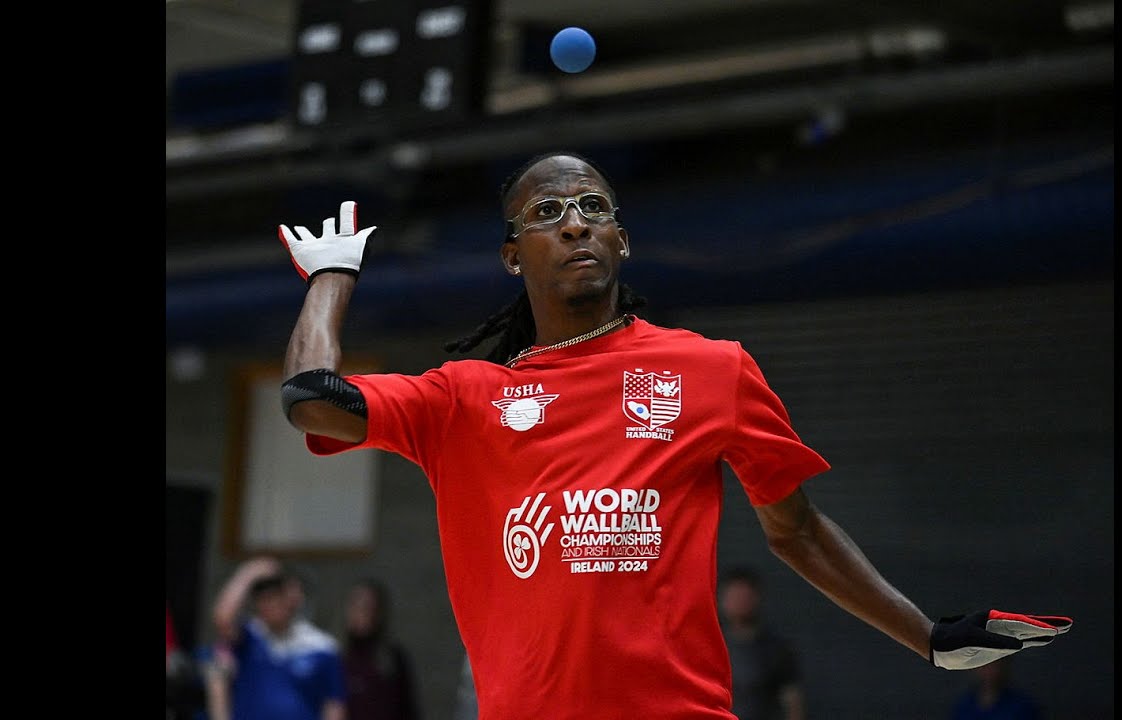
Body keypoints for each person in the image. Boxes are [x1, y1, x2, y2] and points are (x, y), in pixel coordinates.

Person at [274, 150, 1073, 719]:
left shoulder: (712, 370)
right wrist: (332, 277)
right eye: (548, 213)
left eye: (594, 208)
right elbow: (312, 398)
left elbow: (796, 530)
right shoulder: (466, 400)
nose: (577, 224)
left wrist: (927, 637)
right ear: (513, 257)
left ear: (622, 240)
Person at [210, 556, 348, 720]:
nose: (267, 605)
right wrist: (248, 574)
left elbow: (334, 706)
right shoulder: (250, 636)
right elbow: (223, 618)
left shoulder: (322, 647)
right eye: (261, 599)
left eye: (273, 596)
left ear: (293, 596)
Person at [719, 567, 804, 720]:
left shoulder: (776, 649)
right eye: (735, 596)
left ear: (756, 598)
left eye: (745, 596)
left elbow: (792, 700)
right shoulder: (709, 646)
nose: (740, 602)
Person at [341, 578, 420, 720]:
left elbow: (408, 708)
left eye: (367, 607)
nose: (361, 613)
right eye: (356, 606)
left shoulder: (393, 658)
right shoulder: (338, 657)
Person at [949, 656, 1043, 720]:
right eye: (983, 665)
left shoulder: (1021, 706)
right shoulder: (964, 706)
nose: (988, 671)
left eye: (993, 664)